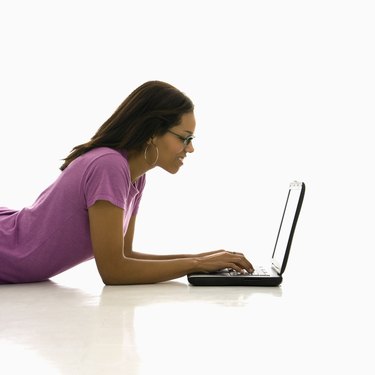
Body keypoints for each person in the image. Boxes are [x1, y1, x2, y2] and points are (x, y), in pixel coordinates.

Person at [0, 81, 253, 284]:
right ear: (153, 133)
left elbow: (125, 256)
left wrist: (205, 259)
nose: (191, 148)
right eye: (184, 139)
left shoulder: (135, 176)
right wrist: (197, 264)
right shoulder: (108, 166)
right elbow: (114, 272)